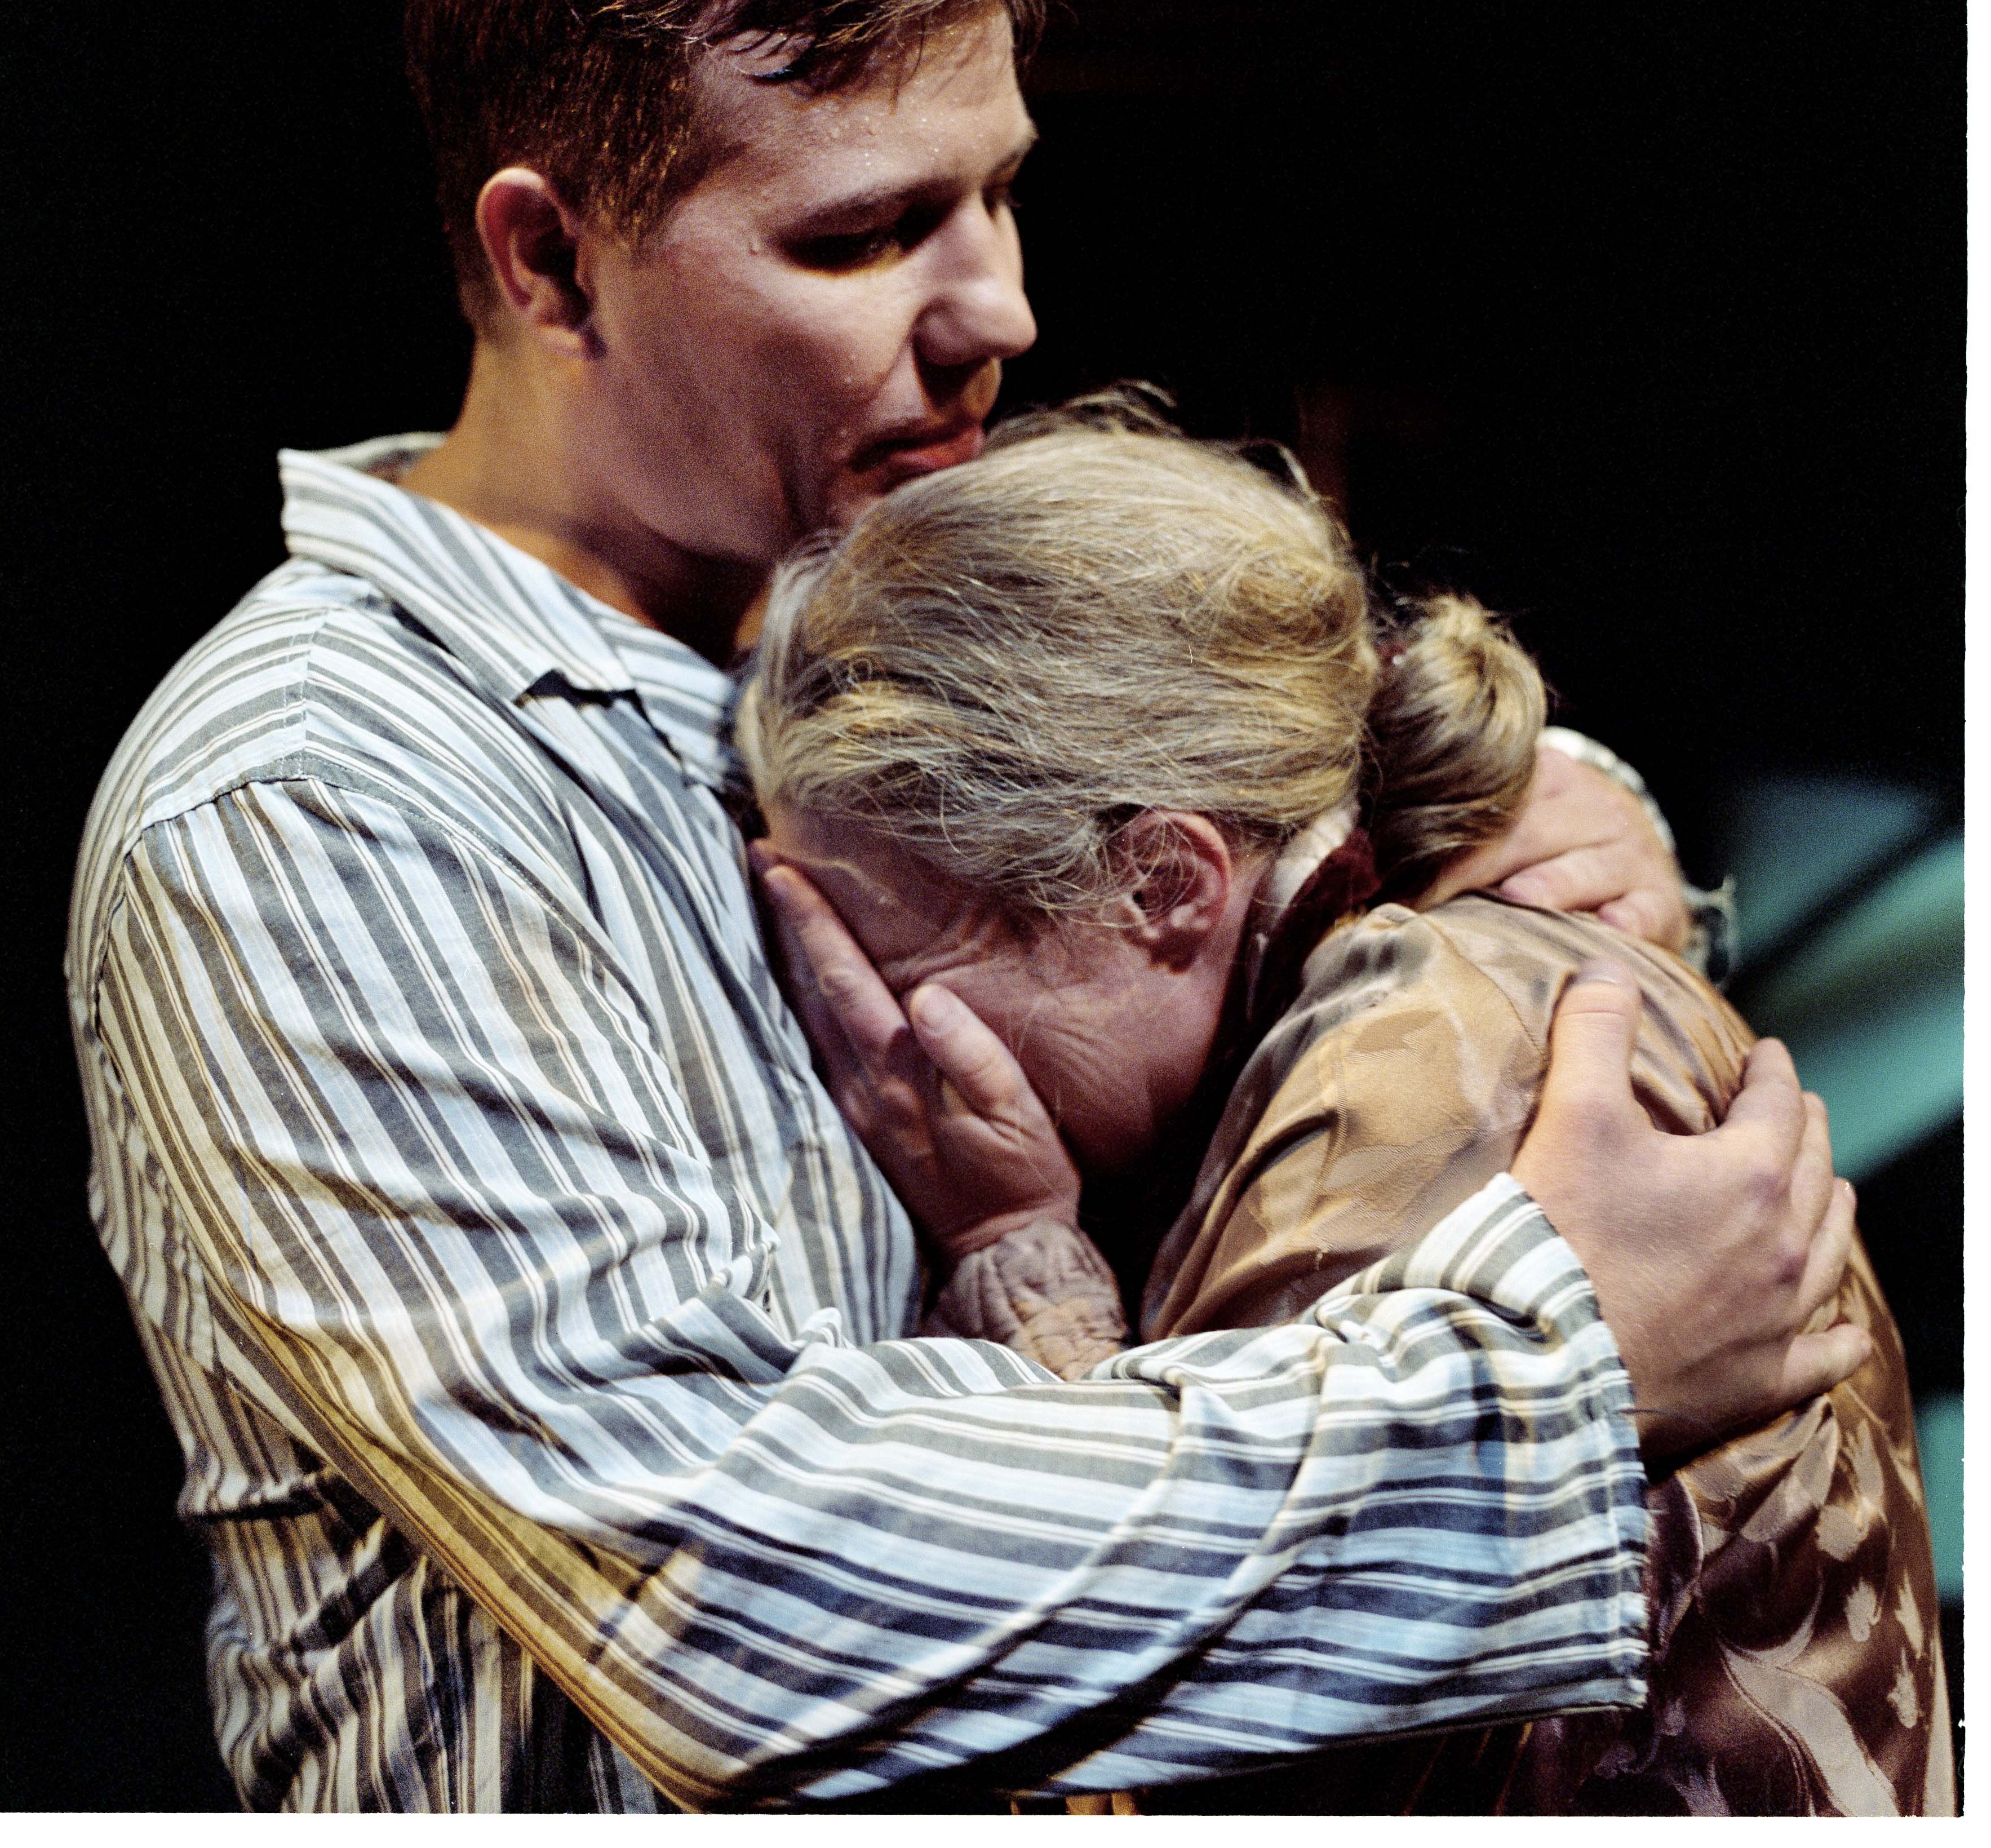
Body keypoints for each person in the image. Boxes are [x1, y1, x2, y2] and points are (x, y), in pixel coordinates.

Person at [66, 0, 1861, 1812]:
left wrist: (1522, 818)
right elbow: (730, 1608)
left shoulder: (866, 560)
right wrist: (1543, 1389)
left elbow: (1252, 770)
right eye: (862, 236)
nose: (998, 305)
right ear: (549, 259)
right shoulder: (322, 794)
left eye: (998, 190)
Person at [740, 398, 1948, 1815]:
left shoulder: (1392, 1091)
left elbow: (1160, 1758)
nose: (884, 1061)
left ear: (1161, 882)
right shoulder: (1423, 985)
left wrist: (1023, 1261)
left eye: (903, 975)